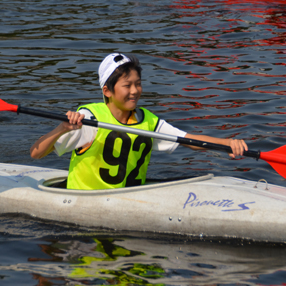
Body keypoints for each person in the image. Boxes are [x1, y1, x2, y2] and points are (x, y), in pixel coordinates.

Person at [30, 53, 247, 190]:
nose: (135, 91)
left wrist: (226, 143)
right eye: (127, 85)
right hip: (84, 200)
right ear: (107, 91)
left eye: (138, 84)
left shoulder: (148, 121)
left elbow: (187, 139)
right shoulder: (88, 119)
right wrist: (62, 128)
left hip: (130, 197)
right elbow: (36, 153)